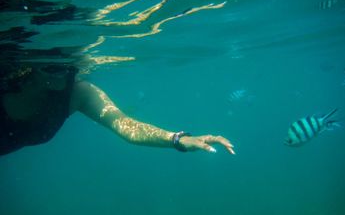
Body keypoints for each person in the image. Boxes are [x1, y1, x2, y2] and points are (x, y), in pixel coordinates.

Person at [0, 63, 235, 155]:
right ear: (32, 67)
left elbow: (126, 125)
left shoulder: (79, 92)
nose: (68, 71)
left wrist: (178, 139)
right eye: (54, 65)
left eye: (69, 66)